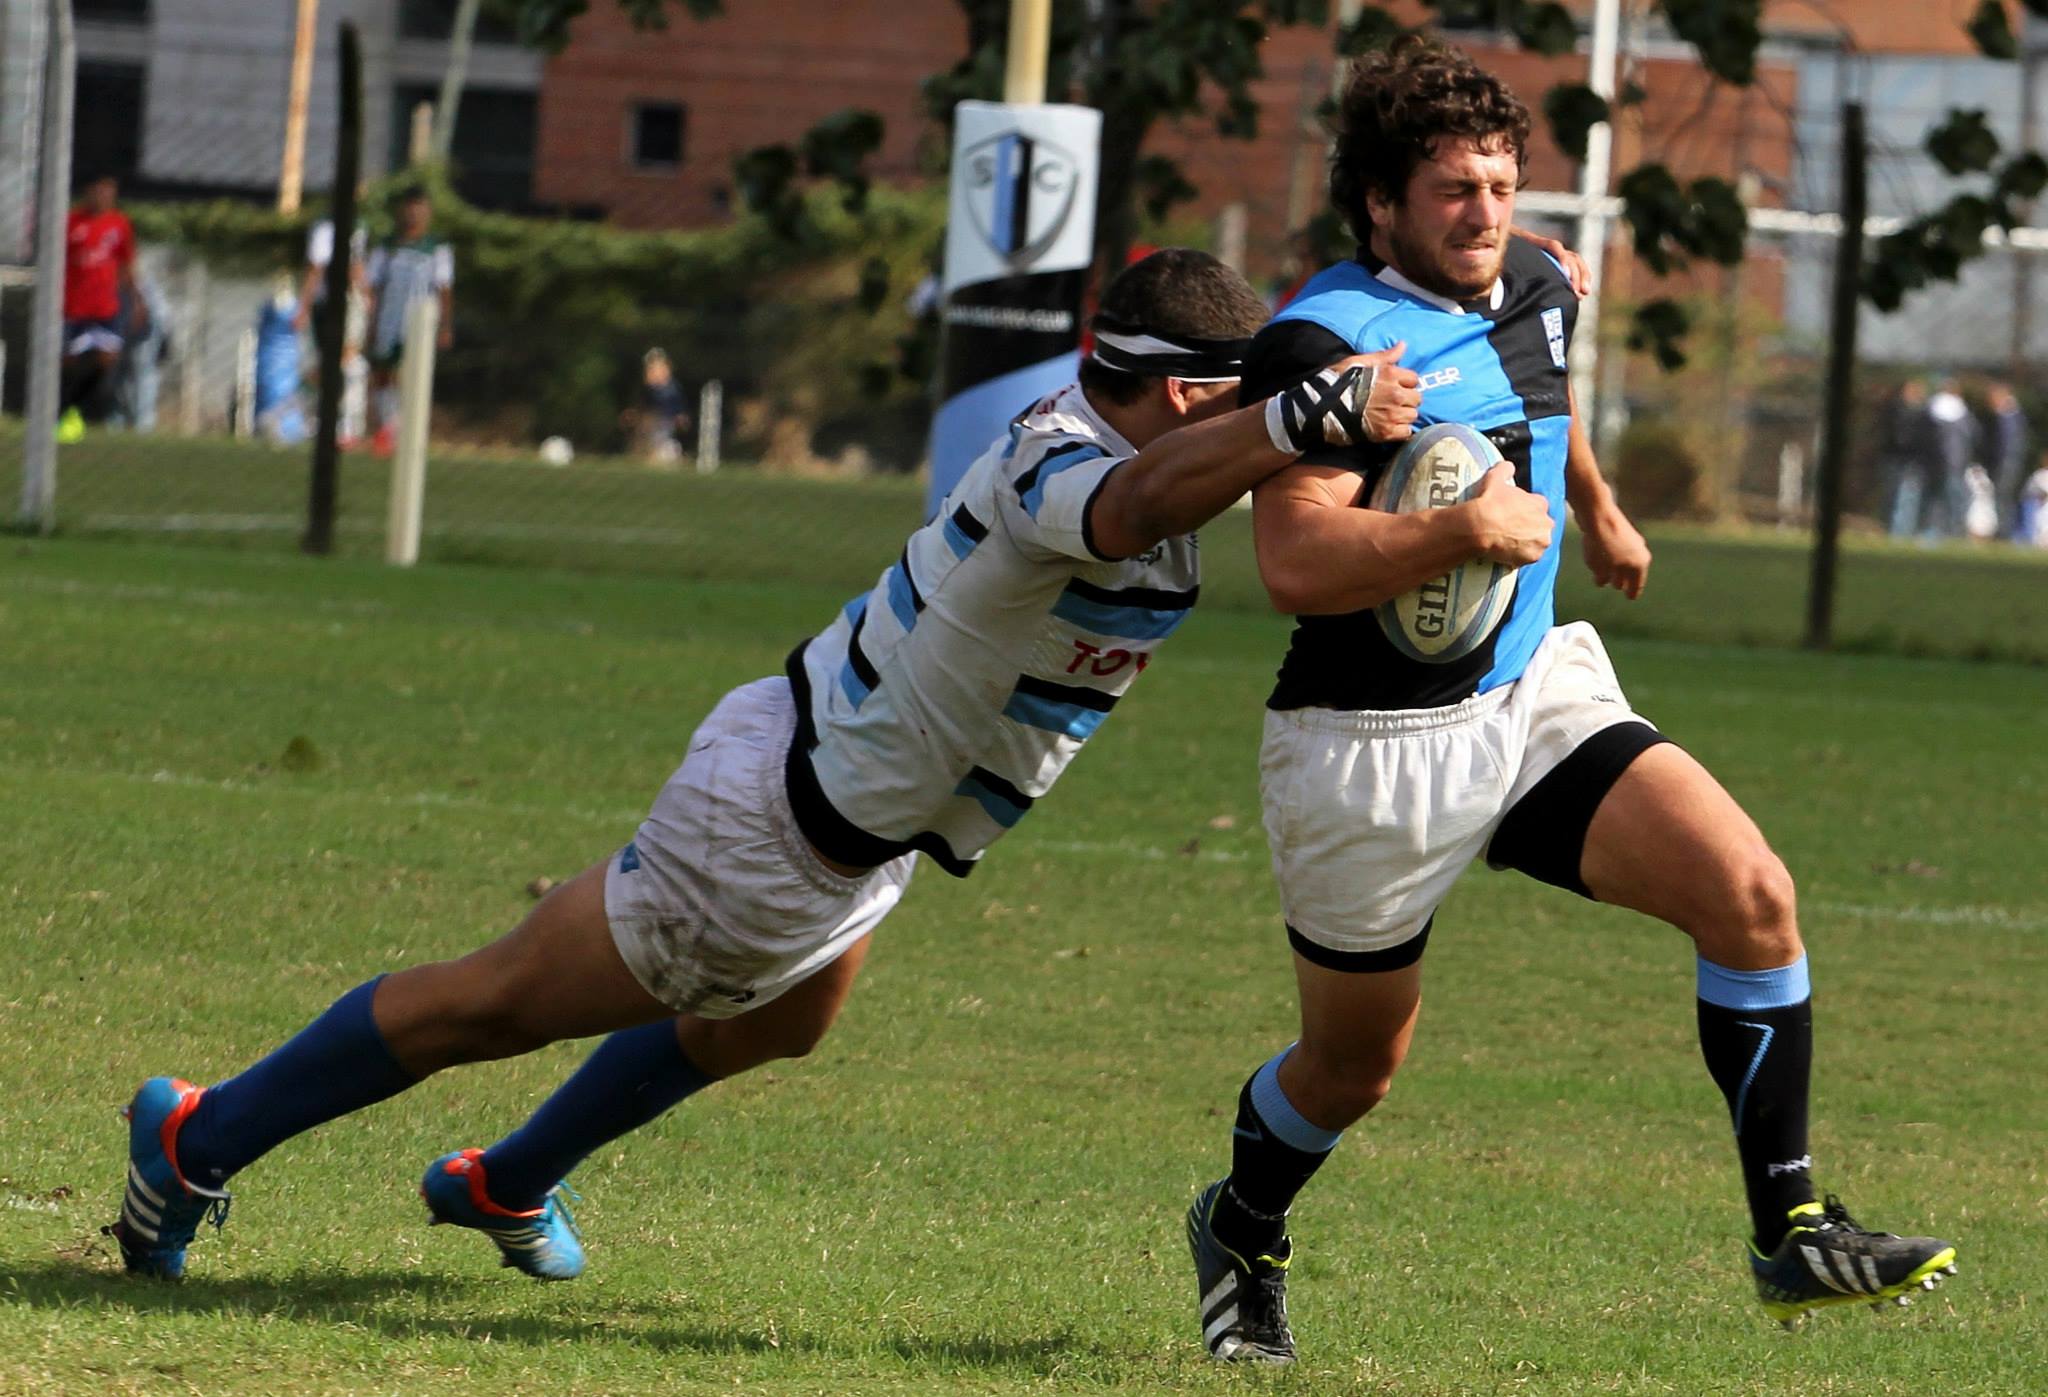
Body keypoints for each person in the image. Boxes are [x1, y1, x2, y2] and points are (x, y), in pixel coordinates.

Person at [103, 249, 1408, 1283]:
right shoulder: (1057, 461)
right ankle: (196, 1138)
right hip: (775, 831)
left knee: (787, 1017)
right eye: (1241, 400)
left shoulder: (1163, 446)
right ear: (1187, 397)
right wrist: (1302, 417)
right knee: (491, 1002)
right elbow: (1131, 512)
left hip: (844, 796)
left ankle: (504, 1179)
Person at [1181, 38, 1957, 1366]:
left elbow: (1545, 389)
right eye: (1452, 192)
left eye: (1498, 184)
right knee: (1354, 1067)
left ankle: (1791, 1225)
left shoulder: (1538, 276)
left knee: (1751, 893)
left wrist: (1594, 508)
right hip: (1369, 746)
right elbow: (1295, 563)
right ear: (1380, 202)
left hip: (1533, 692)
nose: (1485, 214)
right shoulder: (1323, 341)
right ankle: (1241, 1221)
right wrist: (1465, 530)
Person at [364, 186, 454, 455]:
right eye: (411, 208)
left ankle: (409, 431)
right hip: (389, 319)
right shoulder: (388, 246)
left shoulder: (437, 248)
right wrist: (371, 323)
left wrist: (445, 325)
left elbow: (444, 288)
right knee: (383, 374)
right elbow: (375, 287)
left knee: (412, 376)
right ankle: (387, 429)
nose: (415, 215)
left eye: (420, 209)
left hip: (419, 323)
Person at [58, 174, 141, 441]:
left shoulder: (119, 224)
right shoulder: (70, 222)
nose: (104, 197)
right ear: (88, 191)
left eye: (109, 192)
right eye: (100, 191)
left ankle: (72, 412)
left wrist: (138, 300)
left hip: (105, 307)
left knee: (106, 360)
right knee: (68, 362)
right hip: (73, 306)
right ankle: (60, 410)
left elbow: (127, 265)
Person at [1883, 379, 1931, 540]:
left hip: (1912, 461)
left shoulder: (1921, 412)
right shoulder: (1897, 410)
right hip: (1900, 460)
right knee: (1898, 497)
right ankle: (1896, 531)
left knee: (1909, 498)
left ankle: (1903, 531)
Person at [625, 347, 688, 463]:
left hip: (662, 426)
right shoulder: (650, 390)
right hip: (654, 429)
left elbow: (676, 413)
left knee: (659, 450)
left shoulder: (671, 390)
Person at [1983, 382, 2028, 540]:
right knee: (2003, 498)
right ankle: (2003, 530)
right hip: (2007, 463)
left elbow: (2007, 445)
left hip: (2007, 463)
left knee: (2004, 498)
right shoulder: (2009, 415)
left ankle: (2004, 532)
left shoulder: (2009, 416)